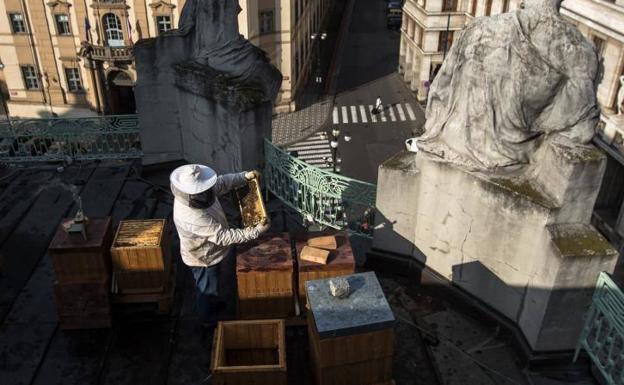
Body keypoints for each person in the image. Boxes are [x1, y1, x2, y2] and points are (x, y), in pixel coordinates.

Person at [170, 164, 270, 328]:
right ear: (192, 193)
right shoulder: (191, 216)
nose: (207, 191)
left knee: (212, 285)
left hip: (209, 249)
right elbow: (223, 236)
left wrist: (243, 176)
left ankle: (212, 306)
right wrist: (256, 231)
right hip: (203, 257)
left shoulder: (196, 192)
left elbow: (220, 183)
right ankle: (208, 322)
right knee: (207, 288)